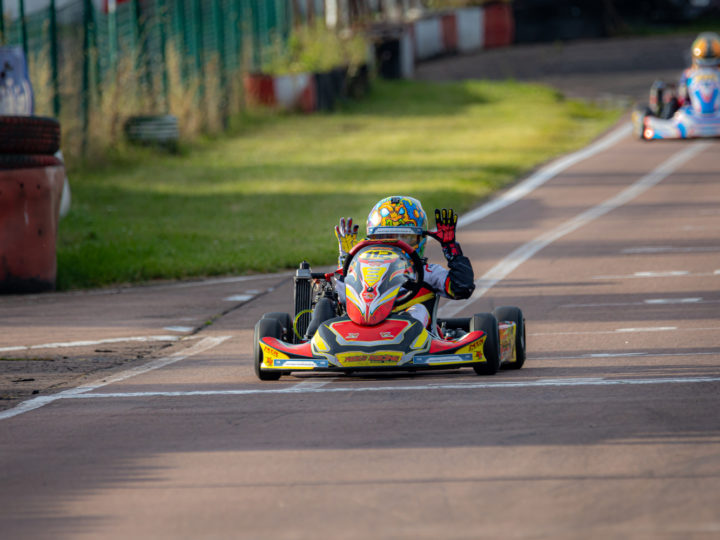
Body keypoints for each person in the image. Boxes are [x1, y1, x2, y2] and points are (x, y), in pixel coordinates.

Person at [332, 195, 475, 331]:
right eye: (385, 238)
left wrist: (451, 248)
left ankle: (406, 328)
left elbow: (462, 288)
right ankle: (314, 337)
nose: (394, 245)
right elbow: (342, 297)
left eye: (405, 238)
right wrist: (346, 260)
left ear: (419, 239)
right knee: (326, 304)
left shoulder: (426, 272)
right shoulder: (361, 270)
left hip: (411, 334)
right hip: (358, 326)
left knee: (418, 309)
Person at [660, 32, 720, 118]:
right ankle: (666, 122)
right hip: (690, 112)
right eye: (704, 64)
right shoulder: (689, 74)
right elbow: (682, 96)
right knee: (671, 100)